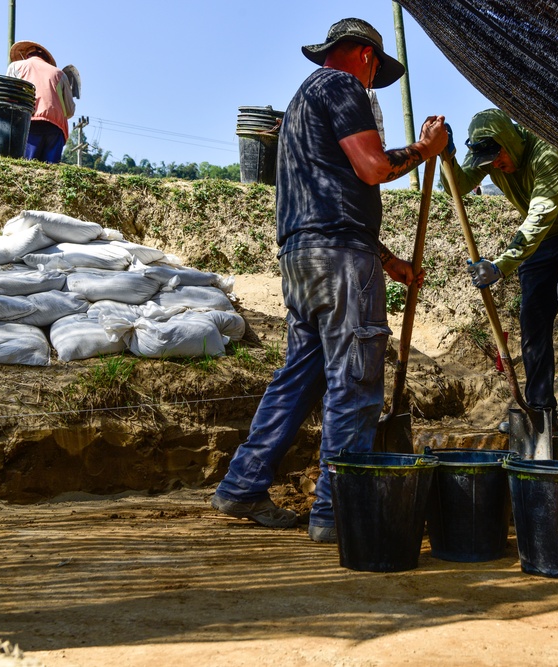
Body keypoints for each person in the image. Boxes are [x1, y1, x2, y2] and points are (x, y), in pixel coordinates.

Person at [211, 18, 448, 543]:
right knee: (356, 381)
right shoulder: (343, 86)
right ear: (362, 54)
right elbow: (371, 170)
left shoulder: (300, 104)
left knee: (302, 375)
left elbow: (330, 196)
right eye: (373, 70)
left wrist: (387, 260)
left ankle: (243, 484)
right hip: (338, 259)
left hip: (303, 258)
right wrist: (423, 150)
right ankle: (337, 511)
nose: (371, 83)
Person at [443, 109, 558, 431]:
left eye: (498, 157)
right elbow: (457, 185)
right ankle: (539, 409)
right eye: (487, 162)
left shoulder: (548, 147)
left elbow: (540, 213)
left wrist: (501, 264)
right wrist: (448, 157)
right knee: (532, 312)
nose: (494, 165)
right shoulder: (488, 155)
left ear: (509, 140)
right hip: (546, 235)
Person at [6, 40, 75, 163]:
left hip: (28, 122)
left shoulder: (16, 67)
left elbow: (9, 97)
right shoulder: (60, 74)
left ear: (27, 56)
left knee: (28, 168)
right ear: (46, 59)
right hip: (56, 128)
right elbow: (69, 111)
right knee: (50, 172)